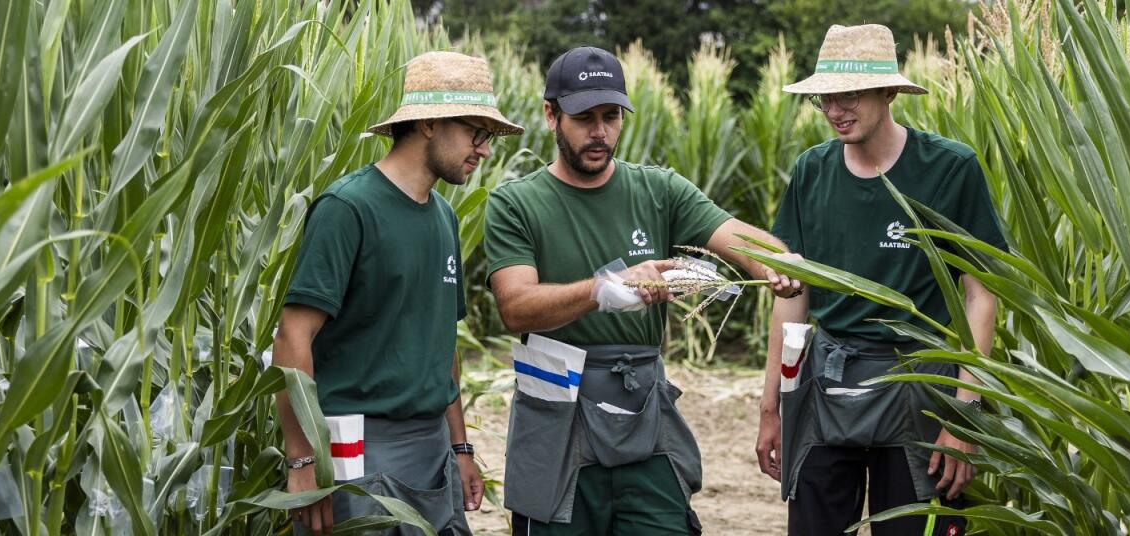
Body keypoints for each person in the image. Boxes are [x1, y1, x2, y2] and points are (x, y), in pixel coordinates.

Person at [485, 45, 802, 535]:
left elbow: (735, 236)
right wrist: (608, 287)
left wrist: (776, 261)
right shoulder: (516, 203)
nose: (600, 132)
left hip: (644, 415)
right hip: (556, 422)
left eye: (610, 116)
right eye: (583, 117)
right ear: (551, 116)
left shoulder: (659, 190)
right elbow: (517, 308)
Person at [756, 24, 1006, 536]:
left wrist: (965, 414)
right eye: (826, 98)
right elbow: (792, 296)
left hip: (921, 391)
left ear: (889, 91)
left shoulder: (950, 169)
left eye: (851, 95)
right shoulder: (812, 171)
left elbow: (981, 294)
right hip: (827, 384)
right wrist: (773, 406)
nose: (836, 110)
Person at [274, 51, 524, 536]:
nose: (485, 150)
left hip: (433, 450)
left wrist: (460, 449)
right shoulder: (348, 208)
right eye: (478, 132)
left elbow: (441, 345)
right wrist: (302, 457)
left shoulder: (444, 217)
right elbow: (293, 336)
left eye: (489, 137)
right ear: (429, 123)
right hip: (362, 451)